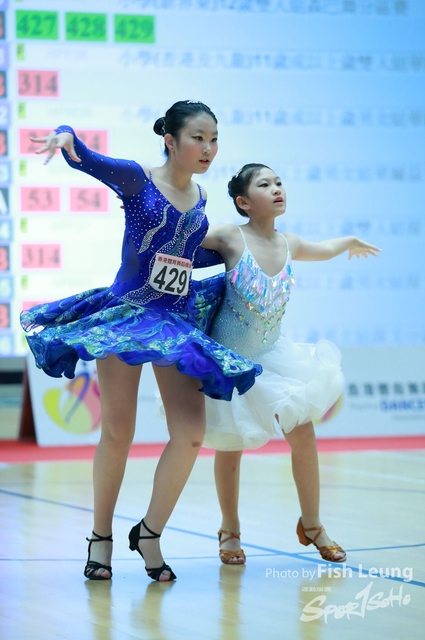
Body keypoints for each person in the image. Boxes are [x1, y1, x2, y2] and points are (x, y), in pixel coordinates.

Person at [20, 103, 261, 582]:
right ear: (170, 140)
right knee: (118, 432)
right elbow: (85, 157)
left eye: (214, 139)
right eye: (198, 138)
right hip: (125, 317)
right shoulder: (137, 179)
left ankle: (149, 532)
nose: (208, 149)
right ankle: (100, 538)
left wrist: (238, 251)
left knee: (190, 434)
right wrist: (65, 135)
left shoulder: (201, 196)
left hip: (173, 322)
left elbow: (181, 257)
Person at [195, 163, 381, 564]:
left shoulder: (289, 242)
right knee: (231, 445)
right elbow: (184, 239)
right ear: (244, 202)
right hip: (230, 363)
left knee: (304, 433)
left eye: (279, 182)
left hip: (274, 358)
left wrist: (350, 239)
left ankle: (312, 524)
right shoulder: (230, 236)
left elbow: (324, 250)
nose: (277, 188)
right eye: (265, 184)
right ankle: (229, 529)